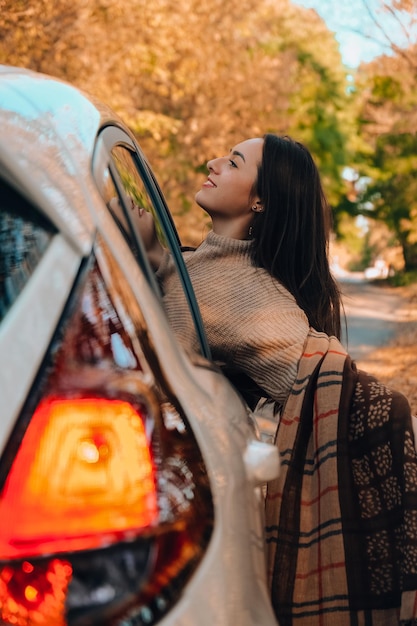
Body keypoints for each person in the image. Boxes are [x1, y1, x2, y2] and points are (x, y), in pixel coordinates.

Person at [137, 134, 417, 625]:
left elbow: (324, 368)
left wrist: (387, 414)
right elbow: (190, 287)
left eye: (233, 161)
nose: (213, 161)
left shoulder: (250, 293)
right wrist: (156, 254)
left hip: (164, 484)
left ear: (259, 199)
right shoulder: (208, 267)